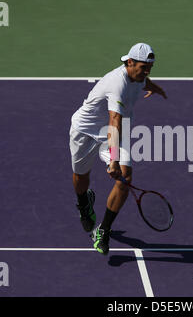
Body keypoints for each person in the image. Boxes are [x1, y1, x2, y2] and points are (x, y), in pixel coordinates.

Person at [69, 43, 167, 255]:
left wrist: (154, 87)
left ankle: (103, 230)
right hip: (85, 130)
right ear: (129, 63)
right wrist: (113, 160)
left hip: (112, 132)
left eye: (150, 66)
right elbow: (114, 120)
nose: (147, 71)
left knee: (125, 178)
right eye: (144, 67)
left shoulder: (138, 76)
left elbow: (142, 82)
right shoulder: (117, 83)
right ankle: (84, 202)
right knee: (80, 178)